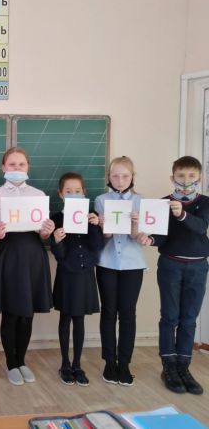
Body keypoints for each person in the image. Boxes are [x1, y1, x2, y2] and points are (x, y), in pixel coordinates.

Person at [138, 156, 208, 395]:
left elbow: (201, 227)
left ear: (200, 178)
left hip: (198, 267)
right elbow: (161, 236)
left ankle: (184, 367)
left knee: (189, 318)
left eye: (191, 176)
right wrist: (149, 239)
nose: (186, 180)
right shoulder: (162, 204)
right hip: (170, 265)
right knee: (170, 317)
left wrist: (182, 215)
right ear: (172, 177)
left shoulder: (205, 202)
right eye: (181, 176)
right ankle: (169, 366)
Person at [0, 147, 55, 386]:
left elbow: (42, 233)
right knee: (11, 312)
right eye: (12, 164)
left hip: (33, 256)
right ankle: (11, 363)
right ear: (3, 168)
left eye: (21, 164)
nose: (17, 168)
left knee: (27, 313)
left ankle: (22, 360)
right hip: (7, 256)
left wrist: (46, 232)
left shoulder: (38, 194)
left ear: (28, 167)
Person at [94, 156, 145, 386]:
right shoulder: (101, 200)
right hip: (107, 263)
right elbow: (103, 237)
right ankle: (109, 362)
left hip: (133, 264)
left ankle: (124, 364)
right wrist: (103, 225)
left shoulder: (141, 201)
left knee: (127, 314)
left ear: (133, 177)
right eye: (115, 176)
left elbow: (140, 237)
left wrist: (135, 225)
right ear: (109, 177)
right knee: (108, 312)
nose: (120, 180)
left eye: (125, 176)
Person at [50, 172, 103, 386]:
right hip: (66, 273)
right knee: (65, 318)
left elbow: (97, 247)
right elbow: (59, 254)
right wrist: (57, 240)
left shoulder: (91, 216)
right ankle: (65, 364)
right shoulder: (56, 218)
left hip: (85, 273)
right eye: (68, 191)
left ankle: (77, 364)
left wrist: (96, 225)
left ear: (84, 193)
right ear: (61, 194)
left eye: (78, 191)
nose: (73, 194)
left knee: (79, 320)